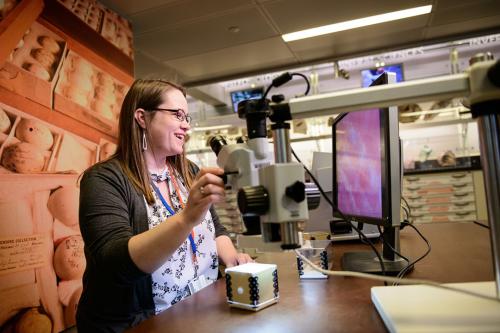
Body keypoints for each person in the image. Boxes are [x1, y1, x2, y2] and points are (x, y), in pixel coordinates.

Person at [76, 79, 253, 332]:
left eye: (187, 117)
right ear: (142, 117)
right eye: (177, 115)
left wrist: (232, 257)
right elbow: (114, 264)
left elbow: (215, 228)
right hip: (146, 322)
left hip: (200, 310)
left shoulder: (187, 170)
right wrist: (186, 218)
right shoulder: (104, 180)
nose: (186, 125)